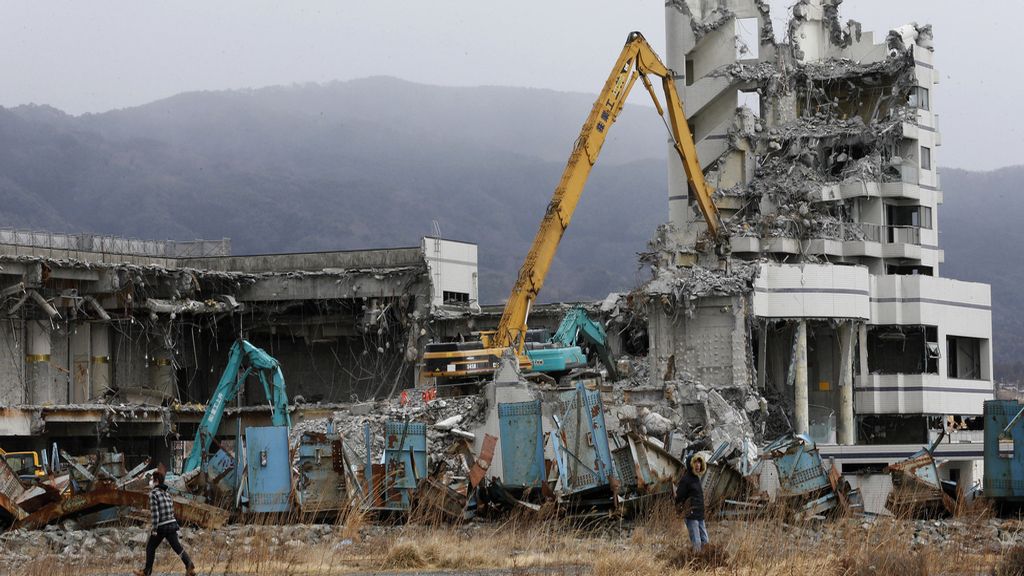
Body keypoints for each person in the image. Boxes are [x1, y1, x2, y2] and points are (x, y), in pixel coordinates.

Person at [134, 470, 196, 576]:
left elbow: (155, 513)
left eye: (153, 480)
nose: (151, 482)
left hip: (162, 526)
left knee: (150, 547)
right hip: (171, 524)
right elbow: (171, 510)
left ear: (157, 481)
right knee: (177, 547)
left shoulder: (153, 493)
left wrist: (154, 529)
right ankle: (189, 566)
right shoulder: (167, 494)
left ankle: (146, 572)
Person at [674, 454, 708, 551]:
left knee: (705, 541)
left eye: (699, 462)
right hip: (691, 515)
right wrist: (682, 510)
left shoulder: (697, 478)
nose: (698, 465)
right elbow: (679, 496)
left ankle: (706, 562)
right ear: (690, 464)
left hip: (700, 515)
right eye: (695, 462)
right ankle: (696, 563)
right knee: (697, 543)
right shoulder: (686, 480)